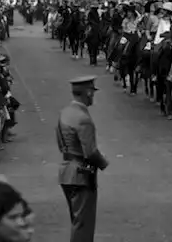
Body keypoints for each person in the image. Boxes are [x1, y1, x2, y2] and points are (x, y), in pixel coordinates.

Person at [57, 75, 108, 242]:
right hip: (81, 174)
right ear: (88, 93)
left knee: (76, 220)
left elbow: (60, 142)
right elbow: (90, 152)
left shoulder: (65, 113)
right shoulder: (84, 119)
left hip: (66, 170)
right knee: (83, 225)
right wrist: (103, 163)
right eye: (92, 91)